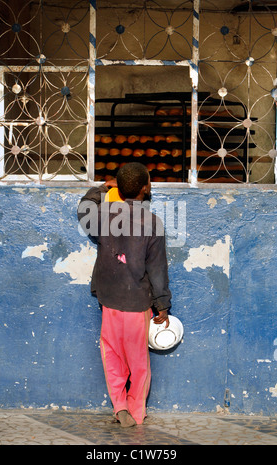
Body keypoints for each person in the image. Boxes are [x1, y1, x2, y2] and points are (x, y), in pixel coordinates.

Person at [77, 162, 171, 428]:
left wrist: (101, 188)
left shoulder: (104, 216)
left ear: (119, 187)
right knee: (138, 361)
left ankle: (119, 406)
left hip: (108, 300)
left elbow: (83, 208)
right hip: (137, 302)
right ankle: (136, 411)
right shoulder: (152, 222)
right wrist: (162, 303)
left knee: (112, 355)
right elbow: (157, 268)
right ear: (144, 188)